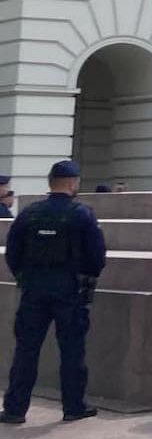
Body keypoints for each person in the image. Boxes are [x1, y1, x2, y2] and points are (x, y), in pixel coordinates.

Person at [1, 159, 106, 424]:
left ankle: (15, 409)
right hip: (69, 289)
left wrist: (24, 277)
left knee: (26, 349)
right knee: (72, 350)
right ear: (73, 183)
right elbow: (96, 256)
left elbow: (12, 252)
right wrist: (86, 277)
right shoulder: (82, 214)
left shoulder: (29, 213)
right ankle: (73, 406)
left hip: (34, 289)